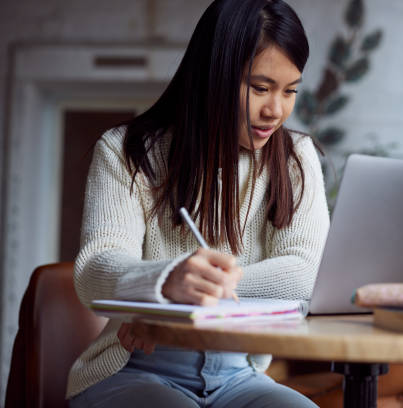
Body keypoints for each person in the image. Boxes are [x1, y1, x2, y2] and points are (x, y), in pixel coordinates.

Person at [66, 0, 329, 406]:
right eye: (260, 87)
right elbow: (95, 270)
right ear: (214, 76)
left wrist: (176, 301)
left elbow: (309, 275)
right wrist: (167, 278)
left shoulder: (296, 157)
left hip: (240, 375)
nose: (275, 110)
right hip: (135, 367)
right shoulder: (125, 151)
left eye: (290, 90)